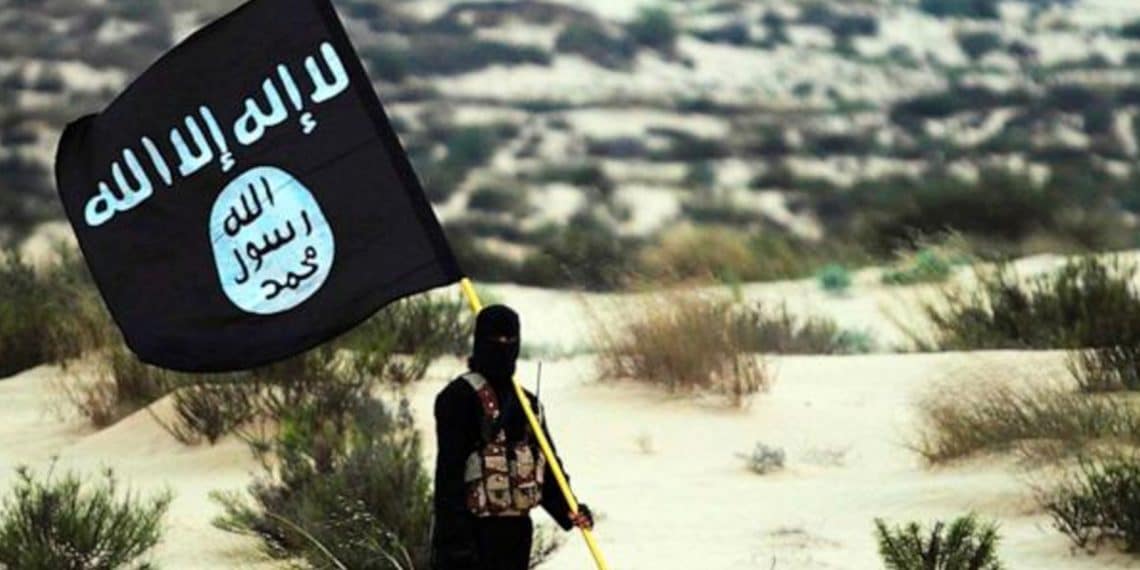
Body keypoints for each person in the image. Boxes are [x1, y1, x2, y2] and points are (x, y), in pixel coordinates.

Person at [431, 304, 593, 570]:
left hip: (516, 536)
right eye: (495, 340)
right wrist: (455, 547)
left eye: (510, 340)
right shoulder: (457, 398)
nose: (503, 347)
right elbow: (448, 478)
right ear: (479, 342)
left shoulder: (527, 403)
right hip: (470, 537)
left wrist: (571, 509)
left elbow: (549, 467)